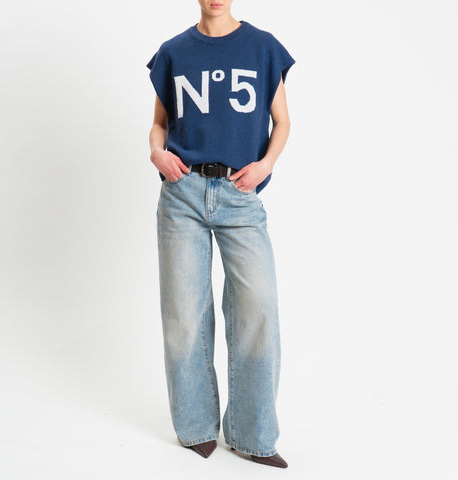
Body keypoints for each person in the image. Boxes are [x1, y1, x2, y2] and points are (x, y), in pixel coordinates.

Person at [146, 0, 295, 469]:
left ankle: (253, 435)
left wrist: (266, 165)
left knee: (259, 308)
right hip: (182, 194)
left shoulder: (262, 48)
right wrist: (156, 153)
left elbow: (283, 121)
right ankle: (195, 427)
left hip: (240, 195)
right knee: (184, 314)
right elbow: (159, 124)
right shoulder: (173, 52)